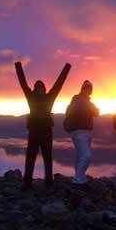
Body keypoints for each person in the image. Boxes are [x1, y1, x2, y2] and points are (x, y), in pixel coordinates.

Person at [15, 61, 71, 189]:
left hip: (46, 132)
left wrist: (67, 67)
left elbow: (59, 84)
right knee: (30, 158)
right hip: (34, 132)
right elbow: (23, 84)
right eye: (37, 87)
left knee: (47, 158)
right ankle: (27, 182)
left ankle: (49, 183)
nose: (39, 89)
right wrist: (18, 66)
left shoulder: (50, 97)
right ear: (35, 89)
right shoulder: (31, 97)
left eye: (41, 88)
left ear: (44, 89)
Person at [64, 80, 99, 185]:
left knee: (80, 156)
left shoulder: (87, 101)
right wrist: (89, 109)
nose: (88, 90)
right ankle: (77, 179)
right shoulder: (77, 99)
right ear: (82, 89)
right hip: (78, 131)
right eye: (86, 88)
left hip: (86, 131)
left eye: (90, 89)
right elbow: (81, 111)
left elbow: (97, 112)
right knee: (86, 155)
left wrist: (90, 108)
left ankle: (81, 177)